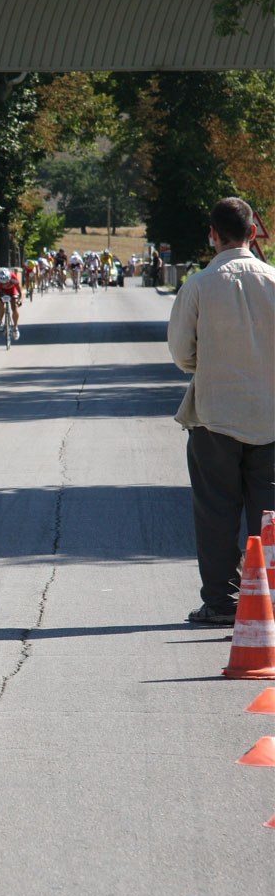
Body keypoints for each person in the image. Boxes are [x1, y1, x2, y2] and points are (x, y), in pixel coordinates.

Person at [167, 196, 275, 626]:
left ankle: (221, 602)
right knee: (269, 514)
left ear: (212, 235)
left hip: (215, 416)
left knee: (215, 513)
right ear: (253, 232)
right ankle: (269, 598)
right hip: (270, 416)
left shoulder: (198, 285)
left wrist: (208, 364)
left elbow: (181, 354)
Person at [0, 267, 22, 339]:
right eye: (3, 283)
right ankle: (0, 322)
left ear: (9, 278)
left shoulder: (14, 278)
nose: (5, 284)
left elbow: (20, 292)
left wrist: (20, 300)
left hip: (12, 291)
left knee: (14, 306)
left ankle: (15, 327)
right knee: (1, 302)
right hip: (2, 292)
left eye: (6, 282)